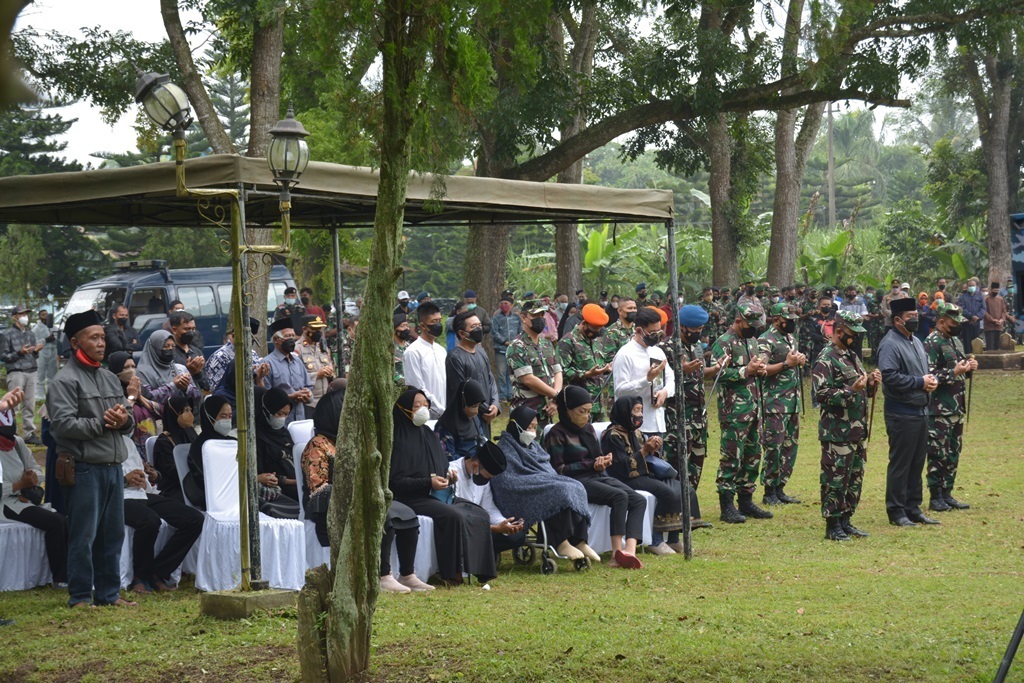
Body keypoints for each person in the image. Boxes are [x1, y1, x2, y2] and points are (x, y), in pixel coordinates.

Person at [47, 309, 136, 608]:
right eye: (94, 337)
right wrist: (103, 422)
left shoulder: (110, 378)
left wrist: (123, 421)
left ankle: (109, 595)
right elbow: (62, 426)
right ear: (75, 342)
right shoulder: (64, 381)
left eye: (102, 337)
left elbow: (128, 421)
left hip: (112, 467)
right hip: (83, 468)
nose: (101, 343)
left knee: (112, 537)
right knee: (84, 537)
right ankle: (81, 596)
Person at [389, 387, 497, 585]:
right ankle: (451, 573)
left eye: (425, 405)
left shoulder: (428, 435)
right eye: (416, 406)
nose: (422, 409)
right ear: (404, 409)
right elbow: (395, 481)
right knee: (452, 516)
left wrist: (448, 475)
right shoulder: (397, 437)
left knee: (479, 513)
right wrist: (427, 482)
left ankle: (482, 571)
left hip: (435, 493)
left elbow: (441, 465)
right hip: (410, 497)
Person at [546, 386, 646, 568]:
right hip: (575, 482)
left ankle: (629, 552)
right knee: (619, 496)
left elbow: (596, 457)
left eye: (589, 412)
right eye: (581, 412)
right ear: (567, 411)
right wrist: (590, 464)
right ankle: (616, 555)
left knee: (638, 500)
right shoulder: (557, 434)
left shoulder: (588, 429)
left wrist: (604, 460)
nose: (586, 416)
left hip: (596, 476)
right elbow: (558, 469)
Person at [492, 405, 594, 562]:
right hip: (518, 490)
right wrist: (541, 481)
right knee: (558, 490)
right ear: (515, 425)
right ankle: (560, 541)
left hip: (539, 482)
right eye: (528, 427)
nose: (532, 431)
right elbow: (505, 480)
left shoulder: (533, 445)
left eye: (534, 427)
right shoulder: (505, 448)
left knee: (576, 486)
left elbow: (546, 468)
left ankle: (579, 540)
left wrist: (544, 480)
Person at [812, 311, 880, 541]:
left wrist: (870, 383)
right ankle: (832, 524)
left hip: (856, 430)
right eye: (853, 333)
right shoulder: (826, 358)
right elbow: (820, 394)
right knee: (836, 478)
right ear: (839, 331)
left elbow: (861, 390)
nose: (856, 338)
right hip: (837, 432)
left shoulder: (851, 355)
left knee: (854, 477)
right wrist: (853, 390)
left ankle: (846, 519)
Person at [876, 297, 940, 527]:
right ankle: (896, 511)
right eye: (910, 316)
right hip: (901, 412)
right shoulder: (890, 343)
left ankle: (913, 508)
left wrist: (930, 380)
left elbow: (922, 372)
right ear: (897, 320)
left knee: (917, 462)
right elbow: (890, 376)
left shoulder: (915, 340)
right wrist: (918, 382)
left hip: (920, 410)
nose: (915, 319)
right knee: (901, 463)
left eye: (916, 315)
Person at [121, 429, 204, 593]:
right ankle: (140, 577)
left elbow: (142, 473)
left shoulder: (128, 442)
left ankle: (158, 572)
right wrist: (124, 479)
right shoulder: (100, 443)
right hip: (118, 497)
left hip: (142, 493)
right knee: (150, 521)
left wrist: (147, 477)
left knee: (193, 519)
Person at [710, 301, 772, 524]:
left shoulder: (752, 341)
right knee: (731, 457)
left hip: (754, 407)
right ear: (738, 321)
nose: (754, 329)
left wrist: (759, 370)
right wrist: (745, 370)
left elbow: (754, 367)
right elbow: (717, 374)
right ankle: (726, 505)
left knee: (753, 454)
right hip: (734, 410)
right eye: (750, 324)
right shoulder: (723, 343)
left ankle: (746, 499)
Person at [1, 388, 68, 587]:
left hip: (23, 499)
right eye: (6, 416)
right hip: (6, 504)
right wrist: (18, 485)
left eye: (12, 415)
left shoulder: (17, 443)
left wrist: (30, 480)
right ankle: (60, 578)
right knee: (55, 522)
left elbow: (36, 471)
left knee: (63, 520)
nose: (10, 421)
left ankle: (66, 571)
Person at [602, 396, 683, 555]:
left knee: (683, 489)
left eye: (641, 410)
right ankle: (655, 540)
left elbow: (647, 457)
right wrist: (645, 450)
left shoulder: (634, 432)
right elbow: (622, 468)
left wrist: (652, 448)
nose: (639, 415)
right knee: (667, 493)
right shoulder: (612, 436)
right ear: (625, 412)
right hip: (626, 479)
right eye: (636, 410)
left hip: (643, 474)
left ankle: (673, 538)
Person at [671, 305, 725, 529]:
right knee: (678, 464)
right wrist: (681, 369)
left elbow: (700, 373)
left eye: (701, 328)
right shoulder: (669, 347)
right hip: (678, 417)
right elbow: (662, 379)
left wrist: (717, 368)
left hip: (699, 417)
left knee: (697, 463)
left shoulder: (697, 347)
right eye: (694, 328)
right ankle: (676, 512)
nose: (698, 332)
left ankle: (692, 513)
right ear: (682, 326)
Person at [924, 302, 977, 512]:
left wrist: (969, 367)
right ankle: (935, 496)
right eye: (953, 323)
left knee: (954, 451)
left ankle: (947, 493)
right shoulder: (931, 342)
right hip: (939, 409)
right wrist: (953, 373)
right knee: (938, 453)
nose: (957, 326)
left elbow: (960, 367)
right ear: (941, 321)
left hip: (957, 407)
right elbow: (928, 374)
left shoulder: (955, 340)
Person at [757, 303, 807, 506]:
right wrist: (786, 364)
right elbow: (761, 369)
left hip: (791, 402)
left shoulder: (790, 337)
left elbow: (792, 362)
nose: (792, 323)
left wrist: (799, 360)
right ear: (776, 319)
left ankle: (780, 488)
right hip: (774, 403)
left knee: (789, 447)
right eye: (789, 320)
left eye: (794, 319)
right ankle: (769, 491)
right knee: (773, 448)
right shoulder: (765, 340)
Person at [612, 307, 675, 453]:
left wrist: (665, 392)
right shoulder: (625, 355)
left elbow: (671, 378)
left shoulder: (657, 351)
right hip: (635, 427)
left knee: (659, 469)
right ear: (639, 331)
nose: (657, 336)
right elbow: (620, 391)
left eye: (659, 332)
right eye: (653, 333)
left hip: (657, 422)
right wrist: (647, 379)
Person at [451, 440, 527, 556]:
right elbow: (454, 517)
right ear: (475, 466)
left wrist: (504, 524)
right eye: (487, 476)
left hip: (477, 526)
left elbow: (489, 508)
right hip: (459, 528)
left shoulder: (480, 476)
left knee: (516, 537)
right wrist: (493, 528)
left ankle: (483, 554)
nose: (487, 480)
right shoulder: (452, 473)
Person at [507, 300, 563, 430]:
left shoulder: (547, 344)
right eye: (535, 316)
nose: (540, 319)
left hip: (547, 410)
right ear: (523, 318)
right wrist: (556, 395)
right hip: (526, 411)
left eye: (542, 315)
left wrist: (556, 399)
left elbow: (557, 371)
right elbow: (528, 379)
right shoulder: (517, 346)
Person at [445, 311, 499, 440]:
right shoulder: (455, 358)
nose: (478, 329)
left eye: (479, 325)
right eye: (473, 327)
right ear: (462, 333)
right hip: (468, 419)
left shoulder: (481, 352)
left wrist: (495, 405)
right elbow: (460, 392)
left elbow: (490, 380)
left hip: (487, 414)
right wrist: (484, 410)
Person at [557, 303, 613, 422]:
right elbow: (562, 371)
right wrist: (586, 374)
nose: (597, 332)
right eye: (594, 329)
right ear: (584, 323)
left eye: (599, 329)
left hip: (599, 402)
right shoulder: (567, 342)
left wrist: (607, 368)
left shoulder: (596, 341)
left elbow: (599, 363)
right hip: (579, 404)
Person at [108, 351, 168, 450]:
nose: (131, 370)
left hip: (149, 445)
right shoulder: (112, 391)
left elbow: (161, 410)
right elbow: (119, 415)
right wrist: (132, 397)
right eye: (126, 367)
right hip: (128, 447)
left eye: (133, 366)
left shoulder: (140, 388)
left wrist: (140, 397)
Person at [253, 387, 302, 505]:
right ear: (266, 410)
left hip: (298, 482)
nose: (282, 418)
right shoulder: (256, 437)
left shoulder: (284, 433)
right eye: (279, 413)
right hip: (280, 488)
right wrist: (296, 482)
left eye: (286, 414)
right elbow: (263, 475)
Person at [1, 305, 42, 444]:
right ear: (14, 317)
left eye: (26, 313)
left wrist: (36, 351)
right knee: (13, 405)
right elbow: (3, 355)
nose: (25, 316)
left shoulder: (30, 333)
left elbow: (33, 356)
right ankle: (10, 432)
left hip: (32, 370)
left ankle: (29, 434)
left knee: (30, 404)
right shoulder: (7, 334)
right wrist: (20, 353)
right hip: (16, 371)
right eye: (22, 314)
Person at [183, 396, 233, 510]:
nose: (227, 420)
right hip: (218, 498)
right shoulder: (201, 446)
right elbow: (205, 478)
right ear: (208, 417)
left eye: (230, 416)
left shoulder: (233, 442)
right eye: (223, 416)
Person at [262, 318, 314, 423]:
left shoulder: (297, 361)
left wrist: (307, 395)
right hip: (280, 422)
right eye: (287, 336)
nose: (291, 339)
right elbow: (265, 396)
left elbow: (309, 387)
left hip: (300, 419)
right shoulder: (267, 363)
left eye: (292, 336)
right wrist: (290, 397)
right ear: (276, 340)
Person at [134, 331, 202, 409]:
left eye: (173, 346)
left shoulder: (180, 369)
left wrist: (186, 388)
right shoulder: (142, 372)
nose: (170, 349)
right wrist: (173, 386)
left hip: (182, 417)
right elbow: (147, 398)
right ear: (155, 348)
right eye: (166, 346)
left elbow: (197, 396)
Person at [403, 301, 447, 419]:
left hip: (445, 413)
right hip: (425, 415)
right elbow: (417, 387)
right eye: (434, 322)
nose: (438, 325)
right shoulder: (413, 352)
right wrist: (440, 410)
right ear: (423, 326)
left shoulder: (441, 350)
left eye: (439, 320)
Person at [151, 392, 197, 504]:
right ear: (175, 413)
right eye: (186, 410)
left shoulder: (190, 432)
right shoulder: (164, 441)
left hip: (194, 483)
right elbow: (172, 472)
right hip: (175, 488)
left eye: (190, 410)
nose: (190, 414)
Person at [205, 317, 264, 392]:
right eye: (247, 337)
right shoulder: (220, 357)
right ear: (234, 335)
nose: (249, 341)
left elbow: (258, 385)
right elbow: (217, 389)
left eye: (252, 339)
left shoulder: (253, 354)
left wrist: (259, 377)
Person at [297, 314, 334, 405]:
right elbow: (296, 378)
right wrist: (317, 374)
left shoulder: (322, 347)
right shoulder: (297, 349)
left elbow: (331, 366)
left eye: (319, 329)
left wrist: (330, 372)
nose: (318, 332)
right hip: (310, 401)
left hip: (326, 398)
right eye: (314, 329)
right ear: (305, 329)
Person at [168, 310, 209, 392]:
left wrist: (197, 373)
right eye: (187, 329)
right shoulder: (169, 353)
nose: (191, 332)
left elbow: (206, 386)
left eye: (193, 329)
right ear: (174, 330)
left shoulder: (196, 352)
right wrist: (188, 371)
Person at [491, 296, 520, 403]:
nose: (504, 305)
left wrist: (515, 342)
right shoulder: (496, 319)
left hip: (514, 349)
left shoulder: (517, 318)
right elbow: (495, 333)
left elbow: (520, 331)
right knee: (502, 373)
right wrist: (505, 342)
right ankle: (502, 395)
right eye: (502, 303)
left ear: (511, 305)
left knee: (512, 373)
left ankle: (511, 394)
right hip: (500, 349)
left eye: (506, 303)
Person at [33, 309, 58, 395]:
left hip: (53, 351)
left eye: (47, 314)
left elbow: (59, 340)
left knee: (52, 374)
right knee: (40, 374)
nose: (46, 316)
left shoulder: (54, 328)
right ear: (40, 317)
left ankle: (51, 394)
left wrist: (55, 339)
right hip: (41, 352)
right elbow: (34, 342)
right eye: (43, 314)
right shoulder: (36, 329)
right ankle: (39, 395)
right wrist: (45, 340)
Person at [956, 277, 985, 351]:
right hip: (966, 323)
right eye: (970, 286)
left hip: (976, 323)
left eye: (973, 285)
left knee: (977, 343)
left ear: (976, 286)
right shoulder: (962, 297)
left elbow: (983, 308)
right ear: (967, 287)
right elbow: (962, 309)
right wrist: (971, 317)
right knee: (967, 344)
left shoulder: (980, 296)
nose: (971, 287)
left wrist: (977, 317)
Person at [983, 281, 1007, 352]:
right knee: (990, 347)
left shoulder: (1000, 299)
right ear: (991, 289)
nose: (996, 291)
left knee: (998, 346)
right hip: (989, 326)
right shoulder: (986, 299)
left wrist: (1001, 320)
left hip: (999, 326)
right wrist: (992, 320)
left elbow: (1004, 311)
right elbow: (984, 311)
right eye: (995, 290)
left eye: (997, 290)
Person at [392, 313, 412, 385]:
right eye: (402, 326)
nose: (406, 329)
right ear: (394, 330)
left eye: (407, 326)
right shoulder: (390, 348)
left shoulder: (410, 346)